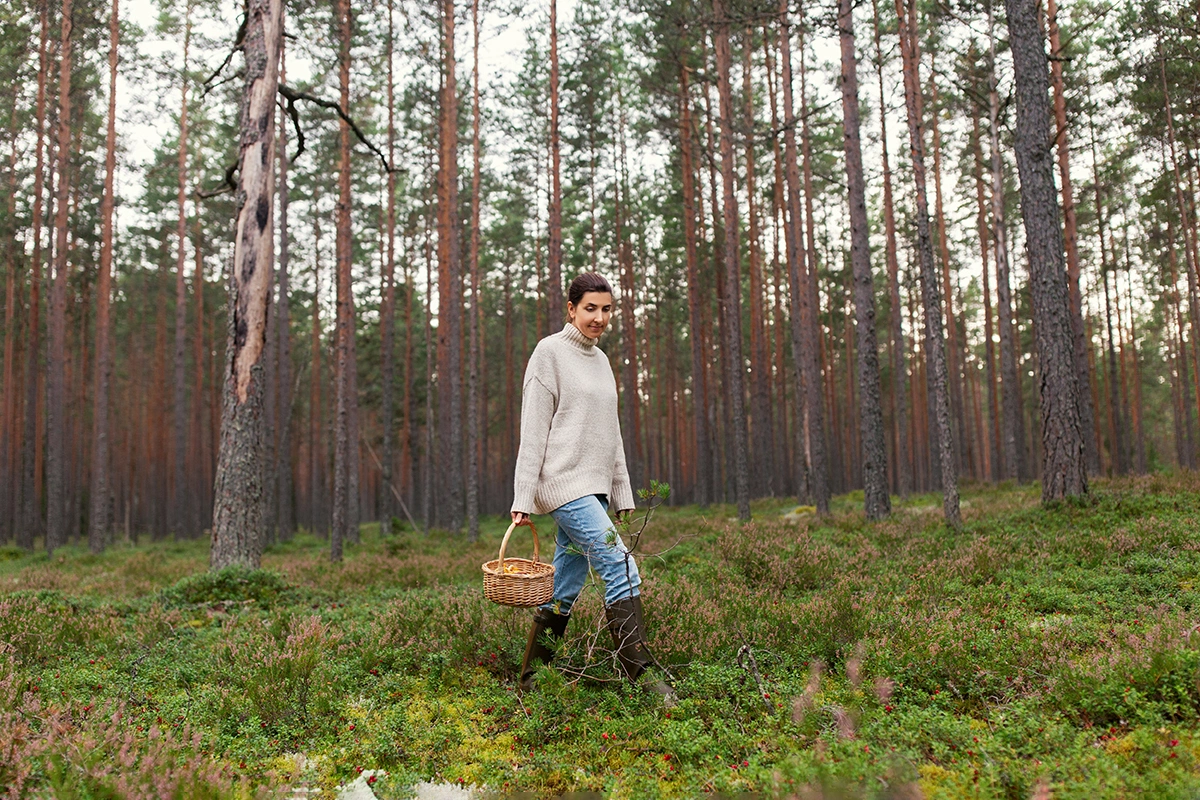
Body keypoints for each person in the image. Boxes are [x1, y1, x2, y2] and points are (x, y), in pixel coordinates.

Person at [510, 272, 674, 704]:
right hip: (563, 485)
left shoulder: (601, 362)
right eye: (590, 309)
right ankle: (642, 682)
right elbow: (533, 430)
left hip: (595, 488)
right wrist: (523, 497)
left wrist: (621, 493)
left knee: (565, 584)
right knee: (621, 567)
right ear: (571, 308)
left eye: (606, 310)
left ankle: (531, 681)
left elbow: (611, 434)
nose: (599, 318)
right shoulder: (548, 353)